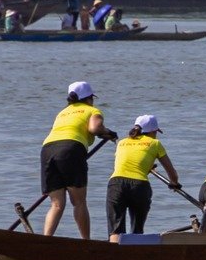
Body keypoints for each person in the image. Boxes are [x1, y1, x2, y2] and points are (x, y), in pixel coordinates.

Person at [36, 79, 108, 239]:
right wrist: (107, 131)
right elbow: (94, 128)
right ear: (89, 98)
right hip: (71, 149)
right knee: (79, 202)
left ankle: (45, 240)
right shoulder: (91, 110)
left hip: (47, 150)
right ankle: (86, 242)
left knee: (56, 204)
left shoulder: (63, 112)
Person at [102, 114, 181, 239]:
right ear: (152, 132)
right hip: (139, 186)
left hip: (116, 184)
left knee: (115, 231)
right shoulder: (155, 143)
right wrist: (174, 183)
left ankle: (115, 255)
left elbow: (129, 161)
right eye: (155, 132)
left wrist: (146, 166)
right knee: (137, 231)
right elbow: (171, 172)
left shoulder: (122, 142)